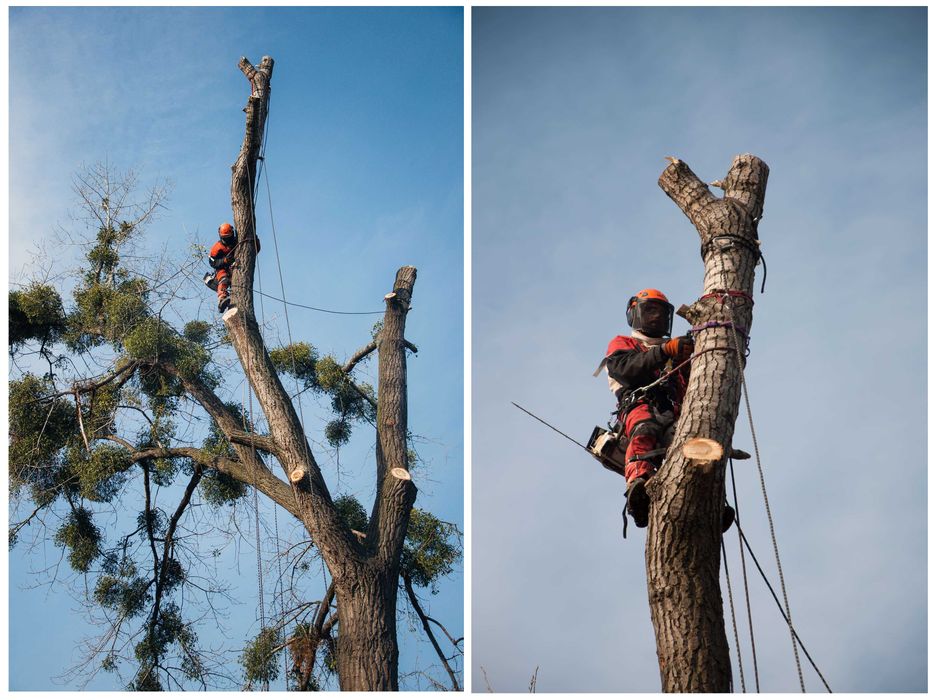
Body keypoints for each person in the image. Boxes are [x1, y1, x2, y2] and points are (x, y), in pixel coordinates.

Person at [600, 288, 694, 528]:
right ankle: (638, 485)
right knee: (645, 428)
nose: (657, 316)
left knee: (691, 449)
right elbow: (625, 369)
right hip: (640, 403)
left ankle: (706, 500)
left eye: (662, 312)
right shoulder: (624, 343)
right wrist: (664, 351)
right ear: (635, 313)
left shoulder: (673, 351)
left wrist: (689, 356)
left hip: (674, 412)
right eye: (650, 310)